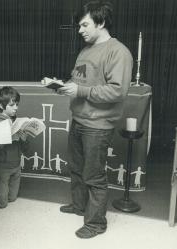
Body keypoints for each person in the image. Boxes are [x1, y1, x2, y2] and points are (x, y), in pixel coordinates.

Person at [57, 1, 133, 239]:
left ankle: (96, 223)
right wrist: (63, 86)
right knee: (77, 169)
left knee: (94, 175)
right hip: (79, 119)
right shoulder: (86, 49)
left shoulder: (118, 51)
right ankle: (80, 206)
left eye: (85, 24)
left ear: (100, 23)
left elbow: (117, 91)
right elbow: (81, 80)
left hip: (98, 125)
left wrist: (80, 91)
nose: (80, 30)